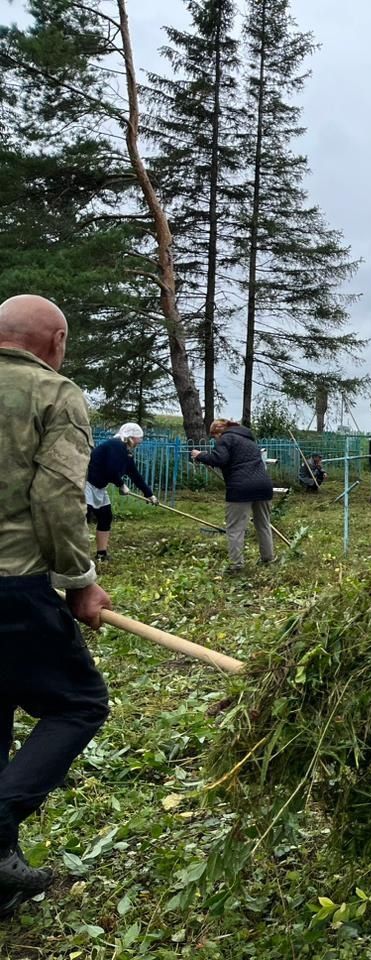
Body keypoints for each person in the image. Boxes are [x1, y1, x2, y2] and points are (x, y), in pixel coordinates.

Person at [0, 295, 112, 919]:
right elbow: (56, 495)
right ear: (56, 340)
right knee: (78, 704)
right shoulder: (54, 393)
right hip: (12, 585)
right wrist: (79, 582)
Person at [191, 419, 275, 574]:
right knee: (263, 524)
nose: (215, 439)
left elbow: (219, 459)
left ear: (218, 431)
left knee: (235, 528)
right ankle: (268, 558)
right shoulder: (249, 440)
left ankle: (236, 565)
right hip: (263, 485)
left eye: (213, 436)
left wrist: (200, 455)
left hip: (241, 488)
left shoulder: (226, 439)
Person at [84, 422, 158, 562]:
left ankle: (101, 554)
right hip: (87, 485)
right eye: (138, 439)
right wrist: (121, 485)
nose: (139, 442)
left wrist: (149, 494)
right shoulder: (115, 445)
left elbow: (135, 475)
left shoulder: (126, 453)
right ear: (130, 437)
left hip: (99, 488)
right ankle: (76, 555)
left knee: (106, 517)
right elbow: (110, 470)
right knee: (83, 519)